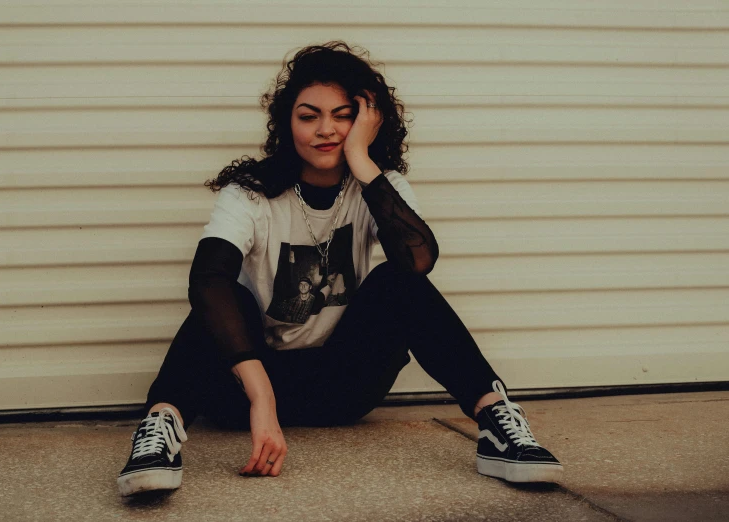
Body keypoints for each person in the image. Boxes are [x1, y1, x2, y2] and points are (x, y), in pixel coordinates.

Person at [117, 41, 563, 496]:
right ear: (286, 123)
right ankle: (159, 433)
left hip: (343, 388)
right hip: (243, 395)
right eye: (308, 116)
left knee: (397, 280)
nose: (325, 129)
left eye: (342, 115)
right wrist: (261, 396)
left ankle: (496, 425)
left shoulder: (378, 188)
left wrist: (362, 162)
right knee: (224, 292)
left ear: (365, 121)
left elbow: (418, 262)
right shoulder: (249, 193)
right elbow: (207, 280)